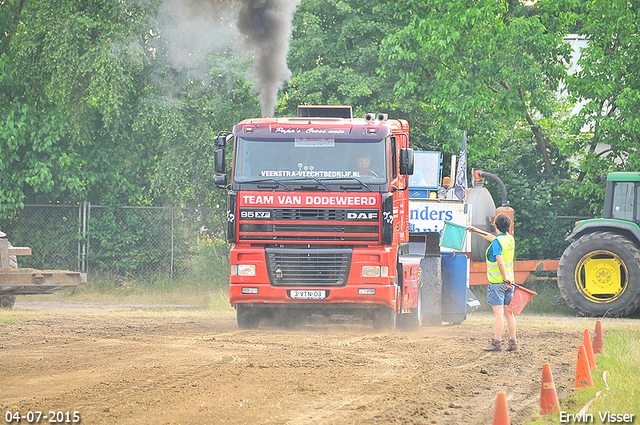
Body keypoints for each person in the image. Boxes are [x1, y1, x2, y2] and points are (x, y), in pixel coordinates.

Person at [469, 213, 517, 352]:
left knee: (498, 314)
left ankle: (497, 343)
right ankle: (513, 342)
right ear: (508, 226)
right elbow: (493, 238)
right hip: (510, 283)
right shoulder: (509, 239)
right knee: (509, 313)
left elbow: (500, 262)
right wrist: (476, 230)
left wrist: (504, 277)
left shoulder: (497, 242)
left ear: (496, 226)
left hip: (498, 283)